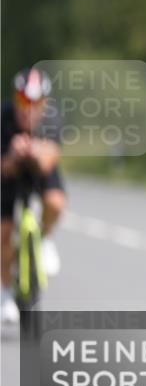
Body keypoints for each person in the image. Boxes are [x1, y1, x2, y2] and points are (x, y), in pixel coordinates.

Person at [1, 68, 65, 323]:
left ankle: (45, 239)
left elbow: (50, 161)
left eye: (35, 103)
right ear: (14, 98)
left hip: (39, 170)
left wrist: (35, 151)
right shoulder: (3, 118)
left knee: (55, 203)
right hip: (9, 173)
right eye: (22, 100)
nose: (28, 109)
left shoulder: (51, 119)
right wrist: (13, 155)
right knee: (4, 231)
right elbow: (3, 168)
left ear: (44, 103)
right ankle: (5, 290)